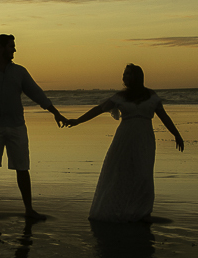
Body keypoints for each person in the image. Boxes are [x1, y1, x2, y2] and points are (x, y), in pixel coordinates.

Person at [0, 34, 67, 220]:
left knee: (22, 167)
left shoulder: (19, 72)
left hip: (16, 124)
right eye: (12, 46)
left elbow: (36, 93)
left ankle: (29, 209)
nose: (15, 49)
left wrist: (55, 112)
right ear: (0, 47)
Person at [65, 64, 183, 222]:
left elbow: (164, 116)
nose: (124, 77)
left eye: (128, 74)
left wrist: (176, 134)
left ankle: (142, 212)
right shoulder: (120, 96)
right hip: (124, 139)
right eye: (124, 74)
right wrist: (78, 121)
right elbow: (98, 109)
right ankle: (117, 210)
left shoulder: (151, 95)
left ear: (137, 76)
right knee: (120, 173)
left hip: (144, 139)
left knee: (144, 175)